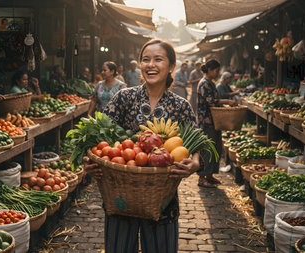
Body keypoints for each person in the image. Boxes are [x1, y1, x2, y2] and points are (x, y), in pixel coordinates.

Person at [84, 39, 200, 252]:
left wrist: (194, 164)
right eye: (145, 60)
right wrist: (90, 160)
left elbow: (196, 147)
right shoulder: (124, 98)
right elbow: (98, 139)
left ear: (171, 66)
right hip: (120, 196)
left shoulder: (180, 106)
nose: (150, 65)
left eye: (158, 59)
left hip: (162, 199)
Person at [197, 59, 237, 188]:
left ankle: (210, 175)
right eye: (216, 71)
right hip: (206, 122)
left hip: (214, 121)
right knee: (207, 150)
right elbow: (211, 101)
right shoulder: (204, 84)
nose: (217, 73)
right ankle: (202, 178)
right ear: (209, 70)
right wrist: (227, 101)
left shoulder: (211, 83)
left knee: (217, 148)